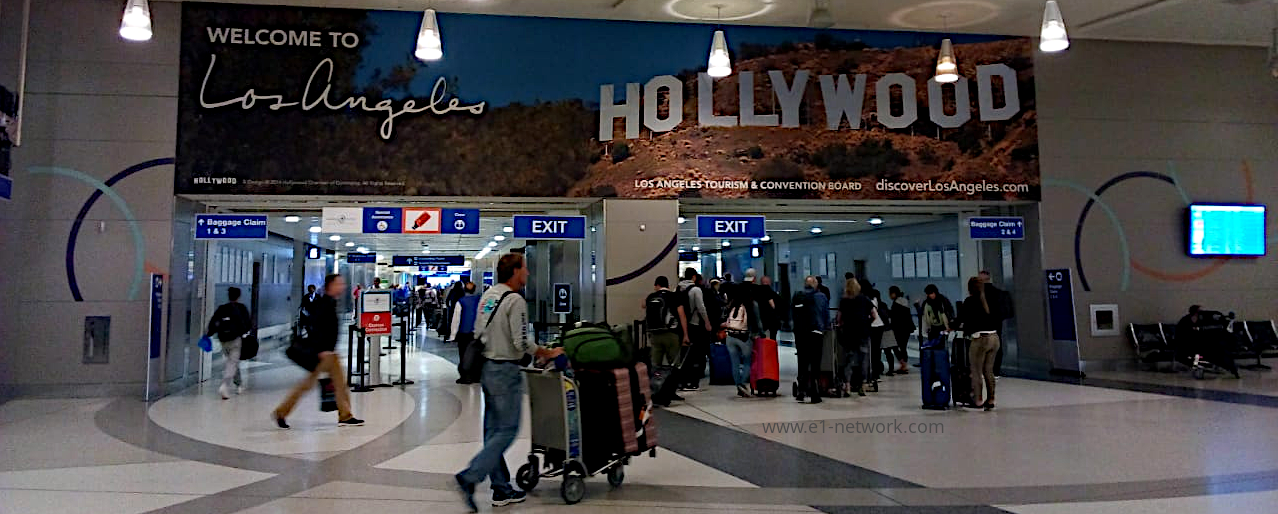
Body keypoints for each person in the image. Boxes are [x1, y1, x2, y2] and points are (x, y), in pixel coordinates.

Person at [455, 254, 564, 512]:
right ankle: (470, 475)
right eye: (525, 269)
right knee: (507, 430)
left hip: (487, 369)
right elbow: (522, 343)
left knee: (492, 432)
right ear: (515, 271)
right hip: (505, 370)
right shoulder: (515, 300)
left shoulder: (489, 296)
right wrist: (548, 353)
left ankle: (501, 488)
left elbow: (479, 332)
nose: (527, 273)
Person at [272, 274, 364, 428]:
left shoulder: (330, 302)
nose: (343, 286)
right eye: (339, 283)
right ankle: (281, 412)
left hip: (329, 353)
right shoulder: (323, 303)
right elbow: (314, 326)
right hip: (323, 353)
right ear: (331, 286)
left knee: (340, 384)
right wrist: (321, 349)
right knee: (307, 385)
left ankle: (345, 414)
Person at [959, 277, 1003, 411]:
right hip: (994, 338)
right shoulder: (991, 300)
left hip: (980, 339)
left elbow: (963, 319)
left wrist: (953, 326)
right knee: (988, 370)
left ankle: (977, 400)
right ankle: (991, 399)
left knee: (976, 371)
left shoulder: (970, 301)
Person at [207, 286, 251, 400]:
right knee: (232, 363)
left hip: (223, 339)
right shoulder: (241, 308)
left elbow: (213, 322)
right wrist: (244, 332)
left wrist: (209, 334)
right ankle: (225, 385)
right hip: (235, 339)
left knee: (233, 362)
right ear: (239, 296)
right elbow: (246, 324)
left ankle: (239, 384)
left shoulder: (222, 308)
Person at [791, 276, 830, 404]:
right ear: (816, 285)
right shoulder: (822, 297)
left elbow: (792, 314)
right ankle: (814, 394)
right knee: (815, 364)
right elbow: (826, 316)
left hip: (801, 334)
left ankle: (801, 392)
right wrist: (826, 327)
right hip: (816, 333)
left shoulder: (797, 295)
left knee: (802, 362)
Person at [722, 283, 762, 397]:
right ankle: (742, 384)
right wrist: (761, 333)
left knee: (734, 363)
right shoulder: (752, 304)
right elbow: (758, 322)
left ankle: (738, 386)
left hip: (730, 336)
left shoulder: (732, 303)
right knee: (747, 362)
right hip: (744, 337)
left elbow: (724, 315)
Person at [677, 269, 713, 391]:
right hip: (693, 325)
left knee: (683, 354)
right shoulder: (695, 290)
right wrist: (707, 322)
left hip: (681, 326)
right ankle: (692, 381)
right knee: (695, 354)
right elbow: (701, 307)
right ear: (693, 277)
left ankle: (681, 380)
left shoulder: (677, 288)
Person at [644, 276, 690, 369]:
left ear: (657, 285)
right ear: (668, 285)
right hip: (671, 334)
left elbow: (643, 305)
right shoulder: (675, 296)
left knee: (655, 364)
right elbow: (682, 316)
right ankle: (674, 382)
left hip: (655, 334)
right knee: (674, 363)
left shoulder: (651, 296)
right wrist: (685, 335)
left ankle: (656, 382)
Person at [838, 278, 874, 396]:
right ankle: (862, 385)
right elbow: (874, 315)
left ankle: (847, 386)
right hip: (863, 333)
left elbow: (839, 318)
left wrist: (842, 324)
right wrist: (867, 323)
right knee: (863, 360)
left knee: (848, 360)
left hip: (849, 334)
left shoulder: (844, 301)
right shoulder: (865, 299)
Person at [979, 271, 1013, 377]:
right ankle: (995, 371)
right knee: (996, 346)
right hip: (997, 323)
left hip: (983, 323)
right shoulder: (998, 292)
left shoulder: (981, 294)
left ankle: (985, 370)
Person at [450, 281, 482, 384]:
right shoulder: (480, 300)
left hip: (464, 332)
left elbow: (456, 319)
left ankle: (465, 377)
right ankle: (476, 376)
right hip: (477, 332)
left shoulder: (461, 301)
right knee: (476, 355)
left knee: (463, 354)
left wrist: (453, 335)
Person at [886, 286, 914, 374]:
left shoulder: (897, 303)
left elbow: (896, 316)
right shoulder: (903, 301)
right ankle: (904, 364)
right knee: (903, 347)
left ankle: (903, 365)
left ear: (894, 293)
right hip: (906, 328)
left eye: (890, 293)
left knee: (898, 347)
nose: (889, 295)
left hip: (901, 329)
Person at [758, 275, 781, 341]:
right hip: (772, 322)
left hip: (761, 321)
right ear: (770, 283)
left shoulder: (756, 293)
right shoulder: (773, 294)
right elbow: (777, 307)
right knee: (772, 339)